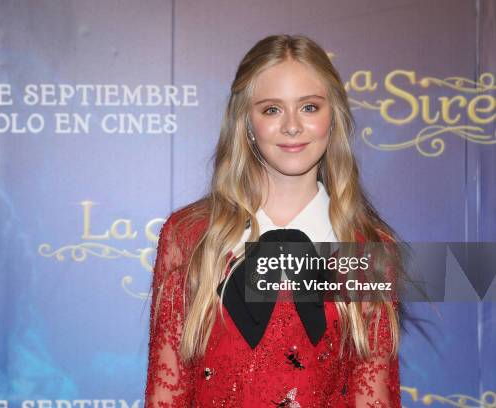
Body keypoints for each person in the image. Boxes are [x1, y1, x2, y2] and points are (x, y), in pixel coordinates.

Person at [144, 34, 401, 407]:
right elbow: (166, 395)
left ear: (334, 117)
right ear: (246, 121)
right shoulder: (190, 236)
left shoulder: (367, 249)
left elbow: (373, 397)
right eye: (272, 109)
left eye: (310, 107)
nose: (292, 126)